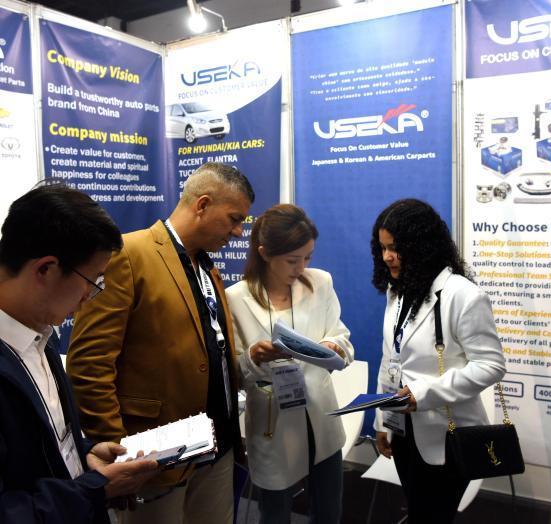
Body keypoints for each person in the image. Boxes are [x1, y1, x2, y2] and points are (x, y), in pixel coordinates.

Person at [67, 162, 254, 524]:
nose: (237, 232)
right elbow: (90, 363)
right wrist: (118, 452)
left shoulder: (208, 267)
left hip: (217, 447)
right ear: (202, 205)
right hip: (154, 455)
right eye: (234, 219)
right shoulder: (129, 254)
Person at [0, 183, 159, 523]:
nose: (90, 296)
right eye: (93, 280)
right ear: (46, 269)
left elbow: (43, 443)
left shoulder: (41, 330)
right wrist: (94, 490)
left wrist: (86, 453)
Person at [371, 199, 506, 523]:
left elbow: (491, 365)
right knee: (418, 511)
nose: (387, 257)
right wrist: (382, 421)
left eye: (395, 248)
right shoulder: (398, 291)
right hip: (402, 430)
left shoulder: (463, 295)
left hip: (447, 437)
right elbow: (391, 359)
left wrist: (424, 393)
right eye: (383, 248)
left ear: (422, 247)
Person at [226, 204, 353, 524]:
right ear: (264, 253)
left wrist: (333, 346)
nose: (302, 268)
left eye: (308, 257)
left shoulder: (320, 282)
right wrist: (254, 357)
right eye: (292, 260)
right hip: (273, 422)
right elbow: (233, 370)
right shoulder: (235, 298)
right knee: (275, 513)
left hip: (320, 416)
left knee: (329, 511)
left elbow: (341, 336)